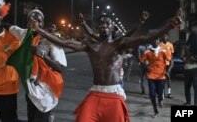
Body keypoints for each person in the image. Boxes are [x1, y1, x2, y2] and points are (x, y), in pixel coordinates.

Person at [29, 9, 181, 122]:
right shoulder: (91, 45)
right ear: (97, 28)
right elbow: (65, 42)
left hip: (114, 95)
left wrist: (168, 27)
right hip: (95, 93)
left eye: (107, 23)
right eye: (100, 24)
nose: (103, 26)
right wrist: (40, 30)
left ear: (112, 26)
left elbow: (145, 38)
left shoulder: (120, 44)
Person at [7, 8, 67, 122]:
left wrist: (43, 54)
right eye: (31, 20)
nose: (34, 23)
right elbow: (10, 27)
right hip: (30, 92)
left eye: (38, 21)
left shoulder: (51, 40)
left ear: (42, 24)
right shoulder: (25, 35)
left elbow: (60, 67)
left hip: (46, 93)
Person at [140, 39, 171, 118]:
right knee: (152, 94)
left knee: (160, 93)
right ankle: (155, 111)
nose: (155, 41)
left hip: (161, 76)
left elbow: (170, 61)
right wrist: (146, 69)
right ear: (151, 42)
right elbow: (142, 61)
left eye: (156, 40)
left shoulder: (163, 50)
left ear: (158, 42)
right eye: (154, 40)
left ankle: (160, 100)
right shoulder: (147, 52)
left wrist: (167, 71)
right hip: (151, 75)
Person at [181, 17, 197, 106]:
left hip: (192, 67)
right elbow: (186, 48)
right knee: (191, 86)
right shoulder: (192, 36)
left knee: (191, 86)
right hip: (189, 67)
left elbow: (186, 48)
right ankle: (190, 102)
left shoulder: (193, 34)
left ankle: (190, 102)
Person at [159, 33, 174, 98]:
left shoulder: (170, 45)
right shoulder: (159, 44)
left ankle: (169, 93)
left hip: (168, 64)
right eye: (163, 36)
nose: (164, 37)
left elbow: (172, 55)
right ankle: (162, 92)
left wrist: (170, 62)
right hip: (161, 64)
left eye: (166, 36)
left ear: (167, 37)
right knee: (162, 79)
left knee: (168, 77)